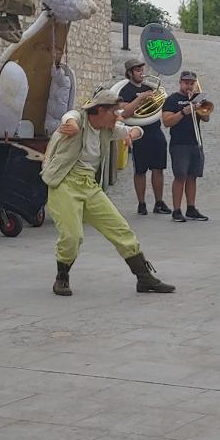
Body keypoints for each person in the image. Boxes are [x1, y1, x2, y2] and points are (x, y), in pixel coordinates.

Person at [42, 90, 175, 296]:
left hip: (89, 186)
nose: (118, 116)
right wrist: (73, 124)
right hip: (65, 183)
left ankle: (144, 277)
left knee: (120, 228)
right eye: (114, 112)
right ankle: (62, 277)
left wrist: (131, 134)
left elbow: (138, 129)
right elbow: (70, 116)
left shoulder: (107, 128)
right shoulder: (79, 120)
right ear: (101, 110)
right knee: (72, 236)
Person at [118, 58, 170, 216]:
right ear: (130, 73)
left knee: (158, 168)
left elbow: (160, 106)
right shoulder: (124, 91)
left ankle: (159, 202)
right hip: (138, 132)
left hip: (155, 130)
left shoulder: (149, 87)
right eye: (138, 71)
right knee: (140, 170)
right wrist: (140, 98)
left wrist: (151, 97)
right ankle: (141, 204)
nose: (142, 73)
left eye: (142, 70)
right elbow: (125, 112)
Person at [162, 71, 210, 223]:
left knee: (192, 176)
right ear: (180, 82)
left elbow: (207, 117)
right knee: (180, 176)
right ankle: (176, 210)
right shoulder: (172, 100)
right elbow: (167, 122)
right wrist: (184, 112)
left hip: (196, 142)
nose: (189, 86)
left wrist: (199, 108)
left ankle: (191, 208)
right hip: (179, 144)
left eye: (191, 83)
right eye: (186, 83)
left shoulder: (198, 98)